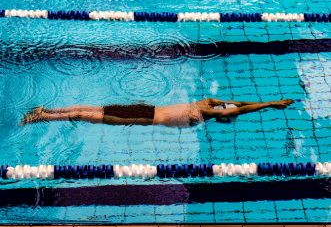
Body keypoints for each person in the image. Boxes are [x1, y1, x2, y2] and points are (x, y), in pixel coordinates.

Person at [20, 98, 294, 127]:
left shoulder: (207, 102)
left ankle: (46, 110)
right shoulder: (207, 115)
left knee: (93, 108)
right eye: (228, 117)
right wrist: (270, 105)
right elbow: (242, 110)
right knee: (90, 116)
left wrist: (271, 100)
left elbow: (239, 104)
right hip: (143, 118)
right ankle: (42, 117)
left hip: (146, 108)